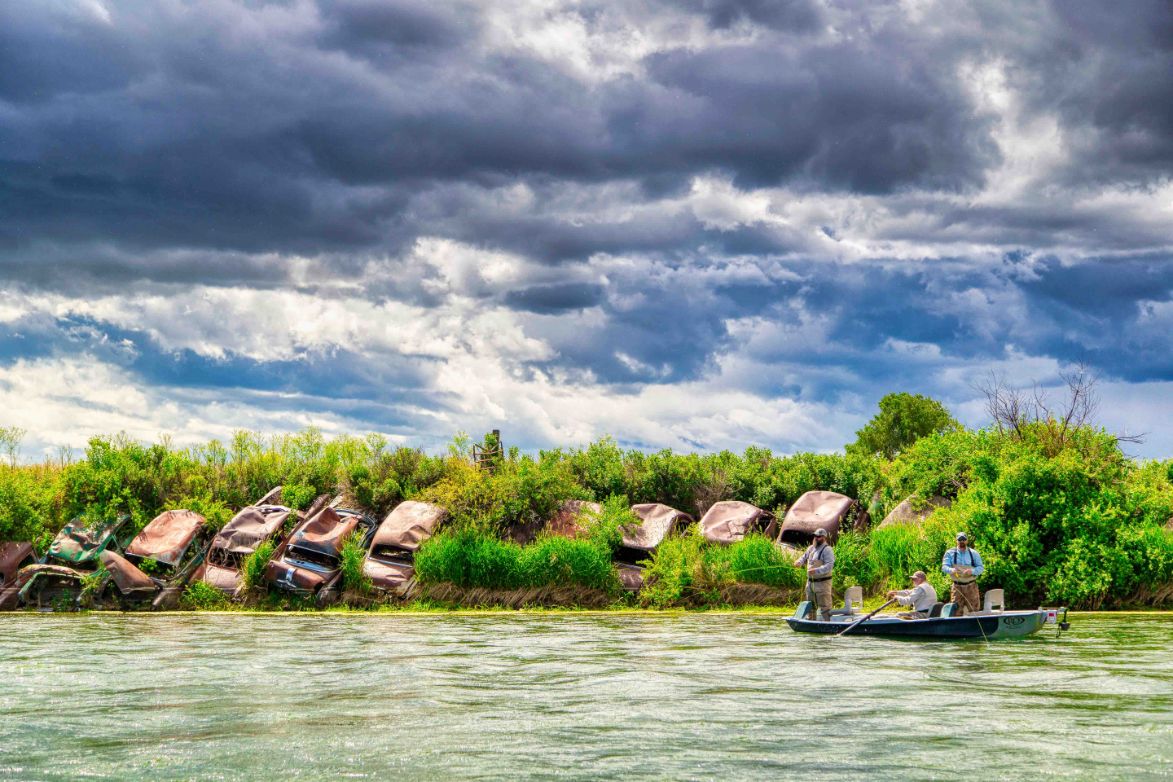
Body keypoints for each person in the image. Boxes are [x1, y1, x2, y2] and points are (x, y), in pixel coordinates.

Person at [795, 528, 835, 621]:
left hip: (823, 584)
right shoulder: (811, 548)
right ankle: (811, 625)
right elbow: (803, 557)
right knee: (810, 607)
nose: (816, 538)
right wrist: (799, 562)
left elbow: (829, 566)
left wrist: (816, 570)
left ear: (824, 538)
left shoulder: (827, 550)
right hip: (810, 584)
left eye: (819, 536)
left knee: (825, 607)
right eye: (815, 536)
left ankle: (828, 625)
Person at [942, 532, 983, 616]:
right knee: (955, 611)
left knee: (974, 610)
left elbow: (980, 568)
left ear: (967, 541)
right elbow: (944, 567)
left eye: (963, 539)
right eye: (960, 540)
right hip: (957, 587)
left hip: (971, 586)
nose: (962, 541)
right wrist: (951, 570)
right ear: (956, 541)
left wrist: (972, 571)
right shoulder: (949, 553)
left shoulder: (974, 553)